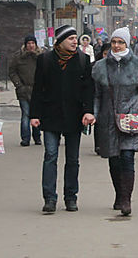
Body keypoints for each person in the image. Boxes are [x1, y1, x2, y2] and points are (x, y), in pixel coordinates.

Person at [92, 28, 138, 216]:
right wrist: (93, 115)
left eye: (120, 42)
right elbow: (97, 96)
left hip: (130, 119)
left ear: (127, 44)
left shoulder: (137, 66)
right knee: (114, 160)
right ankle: (119, 194)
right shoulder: (100, 67)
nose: (116, 46)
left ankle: (126, 199)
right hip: (108, 120)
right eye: (114, 42)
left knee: (127, 157)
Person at [29, 25, 95, 213]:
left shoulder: (83, 60)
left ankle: (70, 197)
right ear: (60, 41)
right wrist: (34, 114)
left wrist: (88, 111)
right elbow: (38, 89)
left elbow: (88, 89)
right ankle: (49, 198)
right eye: (71, 38)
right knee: (50, 156)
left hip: (75, 117)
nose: (75, 41)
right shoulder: (45, 60)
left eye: (76, 38)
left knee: (73, 159)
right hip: (51, 116)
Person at [7, 35, 41, 147]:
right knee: (26, 114)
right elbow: (12, 72)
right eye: (29, 43)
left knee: (37, 114)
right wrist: (18, 85)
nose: (31, 45)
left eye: (33, 43)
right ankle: (25, 138)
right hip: (23, 90)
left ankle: (37, 137)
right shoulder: (18, 57)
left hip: (38, 90)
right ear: (25, 45)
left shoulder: (41, 56)